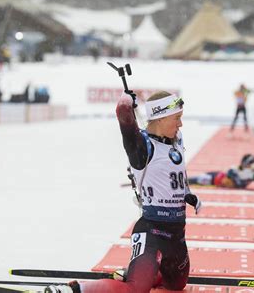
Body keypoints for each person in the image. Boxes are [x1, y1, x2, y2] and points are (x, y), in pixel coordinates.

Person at [45, 90, 201, 293]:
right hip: (152, 231)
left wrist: (186, 193)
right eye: (177, 118)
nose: (180, 124)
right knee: (136, 290)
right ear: (161, 118)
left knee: (177, 284)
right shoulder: (141, 146)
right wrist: (127, 102)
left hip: (177, 233)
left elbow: (174, 173)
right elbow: (123, 114)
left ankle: (141, 270)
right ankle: (74, 290)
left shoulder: (176, 140)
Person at [188, 154, 254, 191]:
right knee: (191, 180)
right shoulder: (237, 170)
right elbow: (233, 175)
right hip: (216, 178)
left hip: (217, 180)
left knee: (192, 181)